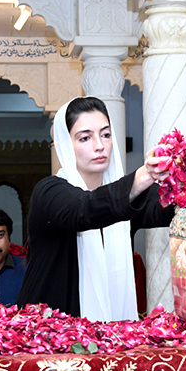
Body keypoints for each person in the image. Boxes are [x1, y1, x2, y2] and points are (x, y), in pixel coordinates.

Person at [16, 96, 174, 322]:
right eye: (85, 138)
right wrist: (143, 176)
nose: (99, 145)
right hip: (47, 335)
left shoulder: (127, 194)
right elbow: (85, 209)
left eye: (106, 135)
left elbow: (169, 209)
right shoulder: (49, 192)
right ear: (63, 146)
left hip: (109, 335)